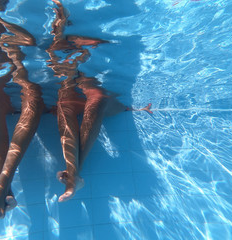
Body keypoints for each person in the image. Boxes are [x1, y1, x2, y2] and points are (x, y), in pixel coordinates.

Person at [47, 0, 152, 202]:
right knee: (65, 104)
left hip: (108, 102)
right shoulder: (67, 44)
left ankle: (74, 174)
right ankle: (73, 175)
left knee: (96, 99)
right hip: (82, 87)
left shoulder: (91, 41)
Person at [0, 0, 45, 218]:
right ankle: (2, 186)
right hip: (7, 68)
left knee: (23, 94)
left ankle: (2, 186)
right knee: (27, 93)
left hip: (6, 69)